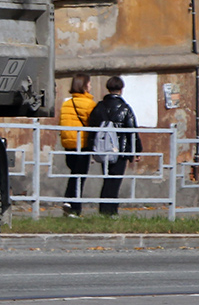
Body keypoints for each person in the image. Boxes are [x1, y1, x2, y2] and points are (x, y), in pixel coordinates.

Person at [87, 76, 142, 216]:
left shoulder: (99, 107)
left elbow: (91, 128)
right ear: (121, 89)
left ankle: (104, 209)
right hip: (120, 151)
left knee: (107, 178)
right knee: (115, 180)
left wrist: (91, 149)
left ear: (108, 88)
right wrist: (136, 151)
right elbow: (132, 131)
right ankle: (110, 211)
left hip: (102, 148)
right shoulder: (125, 108)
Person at [58, 73, 96, 217]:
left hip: (68, 144)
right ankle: (74, 207)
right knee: (80, 176)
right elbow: (92, 126)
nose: (90, 86)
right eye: (89, 84)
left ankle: (69, 202)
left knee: (74, 173)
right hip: (82, 144)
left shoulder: (66, 103)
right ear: (85, 86)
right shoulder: (89, 104)